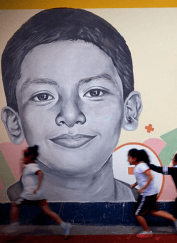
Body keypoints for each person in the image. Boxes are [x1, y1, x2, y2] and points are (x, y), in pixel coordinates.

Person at [1, 8, 142, 202]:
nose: (70, 115)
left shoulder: (142, 203)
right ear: (14, 123)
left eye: (95, 92)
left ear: (130, 111)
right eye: (43, 96)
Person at [2, 146, 73, 238]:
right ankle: (65, 225)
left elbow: (40, 173)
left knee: (15, 205)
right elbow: (26, 176)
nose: (23, 158)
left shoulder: (32, 167)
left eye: (25, 157)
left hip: (29, 194)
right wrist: (22, 166)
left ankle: (14, 226)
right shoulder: (29, 167)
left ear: (30, 157)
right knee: (47, 211)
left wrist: (38, 187)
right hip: (37, 195)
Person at [128, 149, 177, 238]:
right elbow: (142, 178)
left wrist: (142, 189)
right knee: (153, 211)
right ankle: (174, 219)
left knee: (137, 213)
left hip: (147, 194)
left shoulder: (140, 166)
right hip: (152, 193)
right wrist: (134, 185)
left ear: (134, 158)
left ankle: (147, 232)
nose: (128, 160)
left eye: (129, 158)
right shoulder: (139, 166)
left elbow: (150, 177)